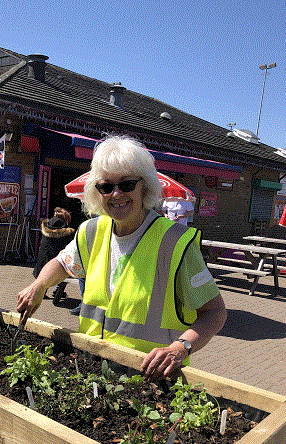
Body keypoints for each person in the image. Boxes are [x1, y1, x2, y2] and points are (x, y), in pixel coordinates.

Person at [17, 135, 227, 380]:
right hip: (92, 369)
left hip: (149, 379)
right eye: (106, 187)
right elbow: (62, 263)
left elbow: (215, 312)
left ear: (145, 186)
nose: (116, 194)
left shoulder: (175, 242)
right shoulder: (92, 231)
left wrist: (180, 348)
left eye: (127, 184)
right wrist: (39, 285)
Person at [33, 207, 75, 305]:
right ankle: (57, 291)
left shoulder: (46, 227)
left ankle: (41, 292)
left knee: (43, 274)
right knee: (62, 271)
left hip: (43, 257)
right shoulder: (67, 232)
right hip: (57, 260)